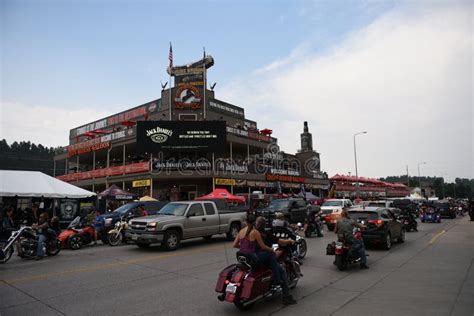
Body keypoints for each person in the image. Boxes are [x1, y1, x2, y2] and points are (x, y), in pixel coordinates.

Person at [233, 216, 297, 305]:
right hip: (259, 257)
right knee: (279, 268)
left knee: (271, 256)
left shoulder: (243, 231)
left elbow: (235, 245)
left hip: (246, 258)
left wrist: (246, 248)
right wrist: (288, 242)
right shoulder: (262, 234)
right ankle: (285, 294)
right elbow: (266, 245)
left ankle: (274, 281)